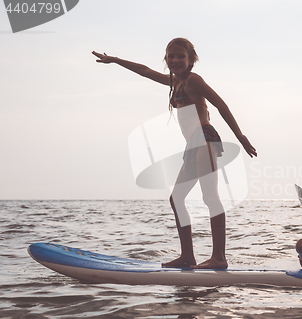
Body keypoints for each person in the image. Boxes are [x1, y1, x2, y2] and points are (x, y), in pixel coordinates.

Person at [92, 38, 257, 269]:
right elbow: (145, 71)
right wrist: (115, 60)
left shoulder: (193, 80)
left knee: (210, 197)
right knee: (177, 198)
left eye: (181, 56)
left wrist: (240, 136)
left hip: (205, 139)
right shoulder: (174, 82)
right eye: (171, 56)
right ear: (166, 58)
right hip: (193, 145)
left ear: (191, 60)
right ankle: (187, 256)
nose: (175, 60)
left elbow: (221, 105)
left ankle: (219, 257)